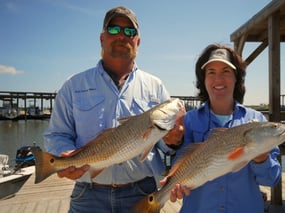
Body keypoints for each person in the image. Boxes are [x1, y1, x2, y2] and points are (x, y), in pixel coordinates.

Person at [43, 6, 184, 213]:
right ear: (102, 38)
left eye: (129, 31)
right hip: (88, 195)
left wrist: (174, 141)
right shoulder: (73, 85)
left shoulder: (156, 86)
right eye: (114, 29)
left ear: (138, 42)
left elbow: (164, 147)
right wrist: (62, 155)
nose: (121, 35)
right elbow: (57, 133)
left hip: (142, 192)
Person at [167, 44, 281, 212]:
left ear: (237, 78)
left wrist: (261, 159)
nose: (218, 79)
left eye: (226, 71)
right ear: (203, 80)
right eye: (211, 72)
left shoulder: (257, 121)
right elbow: (180, 162)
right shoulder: (188, 121)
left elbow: (272, 179)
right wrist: (174, 184)